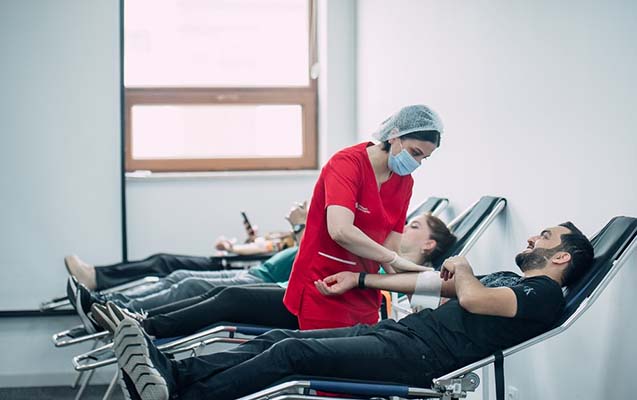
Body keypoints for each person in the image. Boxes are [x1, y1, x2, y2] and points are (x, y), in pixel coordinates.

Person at [102, 222, 593, 400]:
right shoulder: (511, 278)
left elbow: (472, 298)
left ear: (561, 258)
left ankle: (187, 396)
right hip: (403, 336)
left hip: (422, 359)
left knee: (292, 355)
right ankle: (174, 374)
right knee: (278, 340)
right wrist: (360, 279)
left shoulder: (545, 295)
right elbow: (431, 284)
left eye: (545, 237)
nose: (534, 237)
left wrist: (463, 269)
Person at [94, 213, 457, 339]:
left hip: (337, 312)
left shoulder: (424, 276)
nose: (402, 227)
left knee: (226, 297)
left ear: (429, 244)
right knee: (209, 291)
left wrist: (372, 278)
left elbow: (414, 306)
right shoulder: (383, 252)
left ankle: (142, 324)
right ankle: (136, 319)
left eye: (413, 226)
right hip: (310, 293)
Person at [284, 104, 445, 330]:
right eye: (415, 152)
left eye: (423, 158)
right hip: (323, 284)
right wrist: (392, 258)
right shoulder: (346, 164)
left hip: (363, 290)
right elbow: (340, 230)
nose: (416, 163)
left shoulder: (404, 182)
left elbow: (391, 247)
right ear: (394, 136)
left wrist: (415, 292)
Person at [64, 202, 307, 291]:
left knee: (165, 266)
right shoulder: (298, 233)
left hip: (239, 270)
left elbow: (275, 250)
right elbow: (266, 245)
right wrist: (243, 242)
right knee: (162, 262)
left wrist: (236, 249)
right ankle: (97, 277)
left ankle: (97, 280)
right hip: (233, 264)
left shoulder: (305, 234)